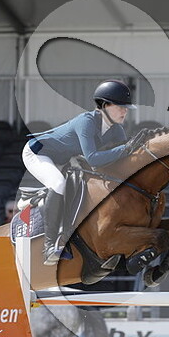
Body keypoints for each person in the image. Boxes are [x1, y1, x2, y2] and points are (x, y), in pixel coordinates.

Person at [23, 79, 136, 265]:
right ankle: (49, 247)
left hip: (64, 159)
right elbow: (93, 158)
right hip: (38, 153)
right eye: (120, 107)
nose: (125, 111)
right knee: (58, 183)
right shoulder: (87, 122)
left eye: (126, 107)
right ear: (105, 106)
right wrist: (126, 149)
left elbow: (122, 158)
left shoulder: (117, 130)